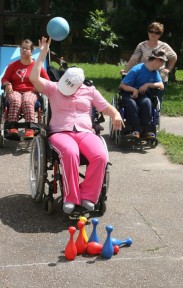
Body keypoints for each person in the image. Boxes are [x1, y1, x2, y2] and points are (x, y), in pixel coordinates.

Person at [29, 36, 124, 215]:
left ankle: (87, 195)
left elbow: (105, 107)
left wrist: (116, 114)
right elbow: (33, 78)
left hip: (85, 132)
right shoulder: (54, 87)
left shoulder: (90, 91)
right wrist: (42, 54)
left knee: (100, 156)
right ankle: (71, 197)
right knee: (70, 152)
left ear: (80, 83)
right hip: (60, 132)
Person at [1, 38, 50, 139]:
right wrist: (7, 84)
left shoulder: (37, 66)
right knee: (15, 100)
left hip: (31, 91)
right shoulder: (13, 65)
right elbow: (5, 78)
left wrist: (39, 86)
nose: (24, 50)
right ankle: (12, 128)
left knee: (27, 100)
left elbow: (47, 80)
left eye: (27, 48)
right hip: (15, 90)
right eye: (22, 48)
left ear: (32, 51)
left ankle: (30, 129)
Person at [121, 22, 177, 106]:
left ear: (160, 35)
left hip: (159, 79)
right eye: (151, 31)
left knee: (156, 103)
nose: (153, 34)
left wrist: (169, 69)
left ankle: (155, 118)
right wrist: (125, 71)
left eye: (156, 32)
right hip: (143, 77)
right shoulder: (142, 45)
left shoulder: (164, 46)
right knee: (141, 101)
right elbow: (133, 59)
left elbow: (174, 57)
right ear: (148, 32)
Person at [119, 49, 166, 139]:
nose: (162, 65)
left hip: (142, 94)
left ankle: (147, 130)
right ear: (157, 60)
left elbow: (161, 85)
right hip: (129, 93)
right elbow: (122, 85)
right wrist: (134, 90)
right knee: (131, 103)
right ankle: (136, 130)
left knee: (147, 102)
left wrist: (147, 84)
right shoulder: (136, 69)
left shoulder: (154, 72)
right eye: (162, 62)